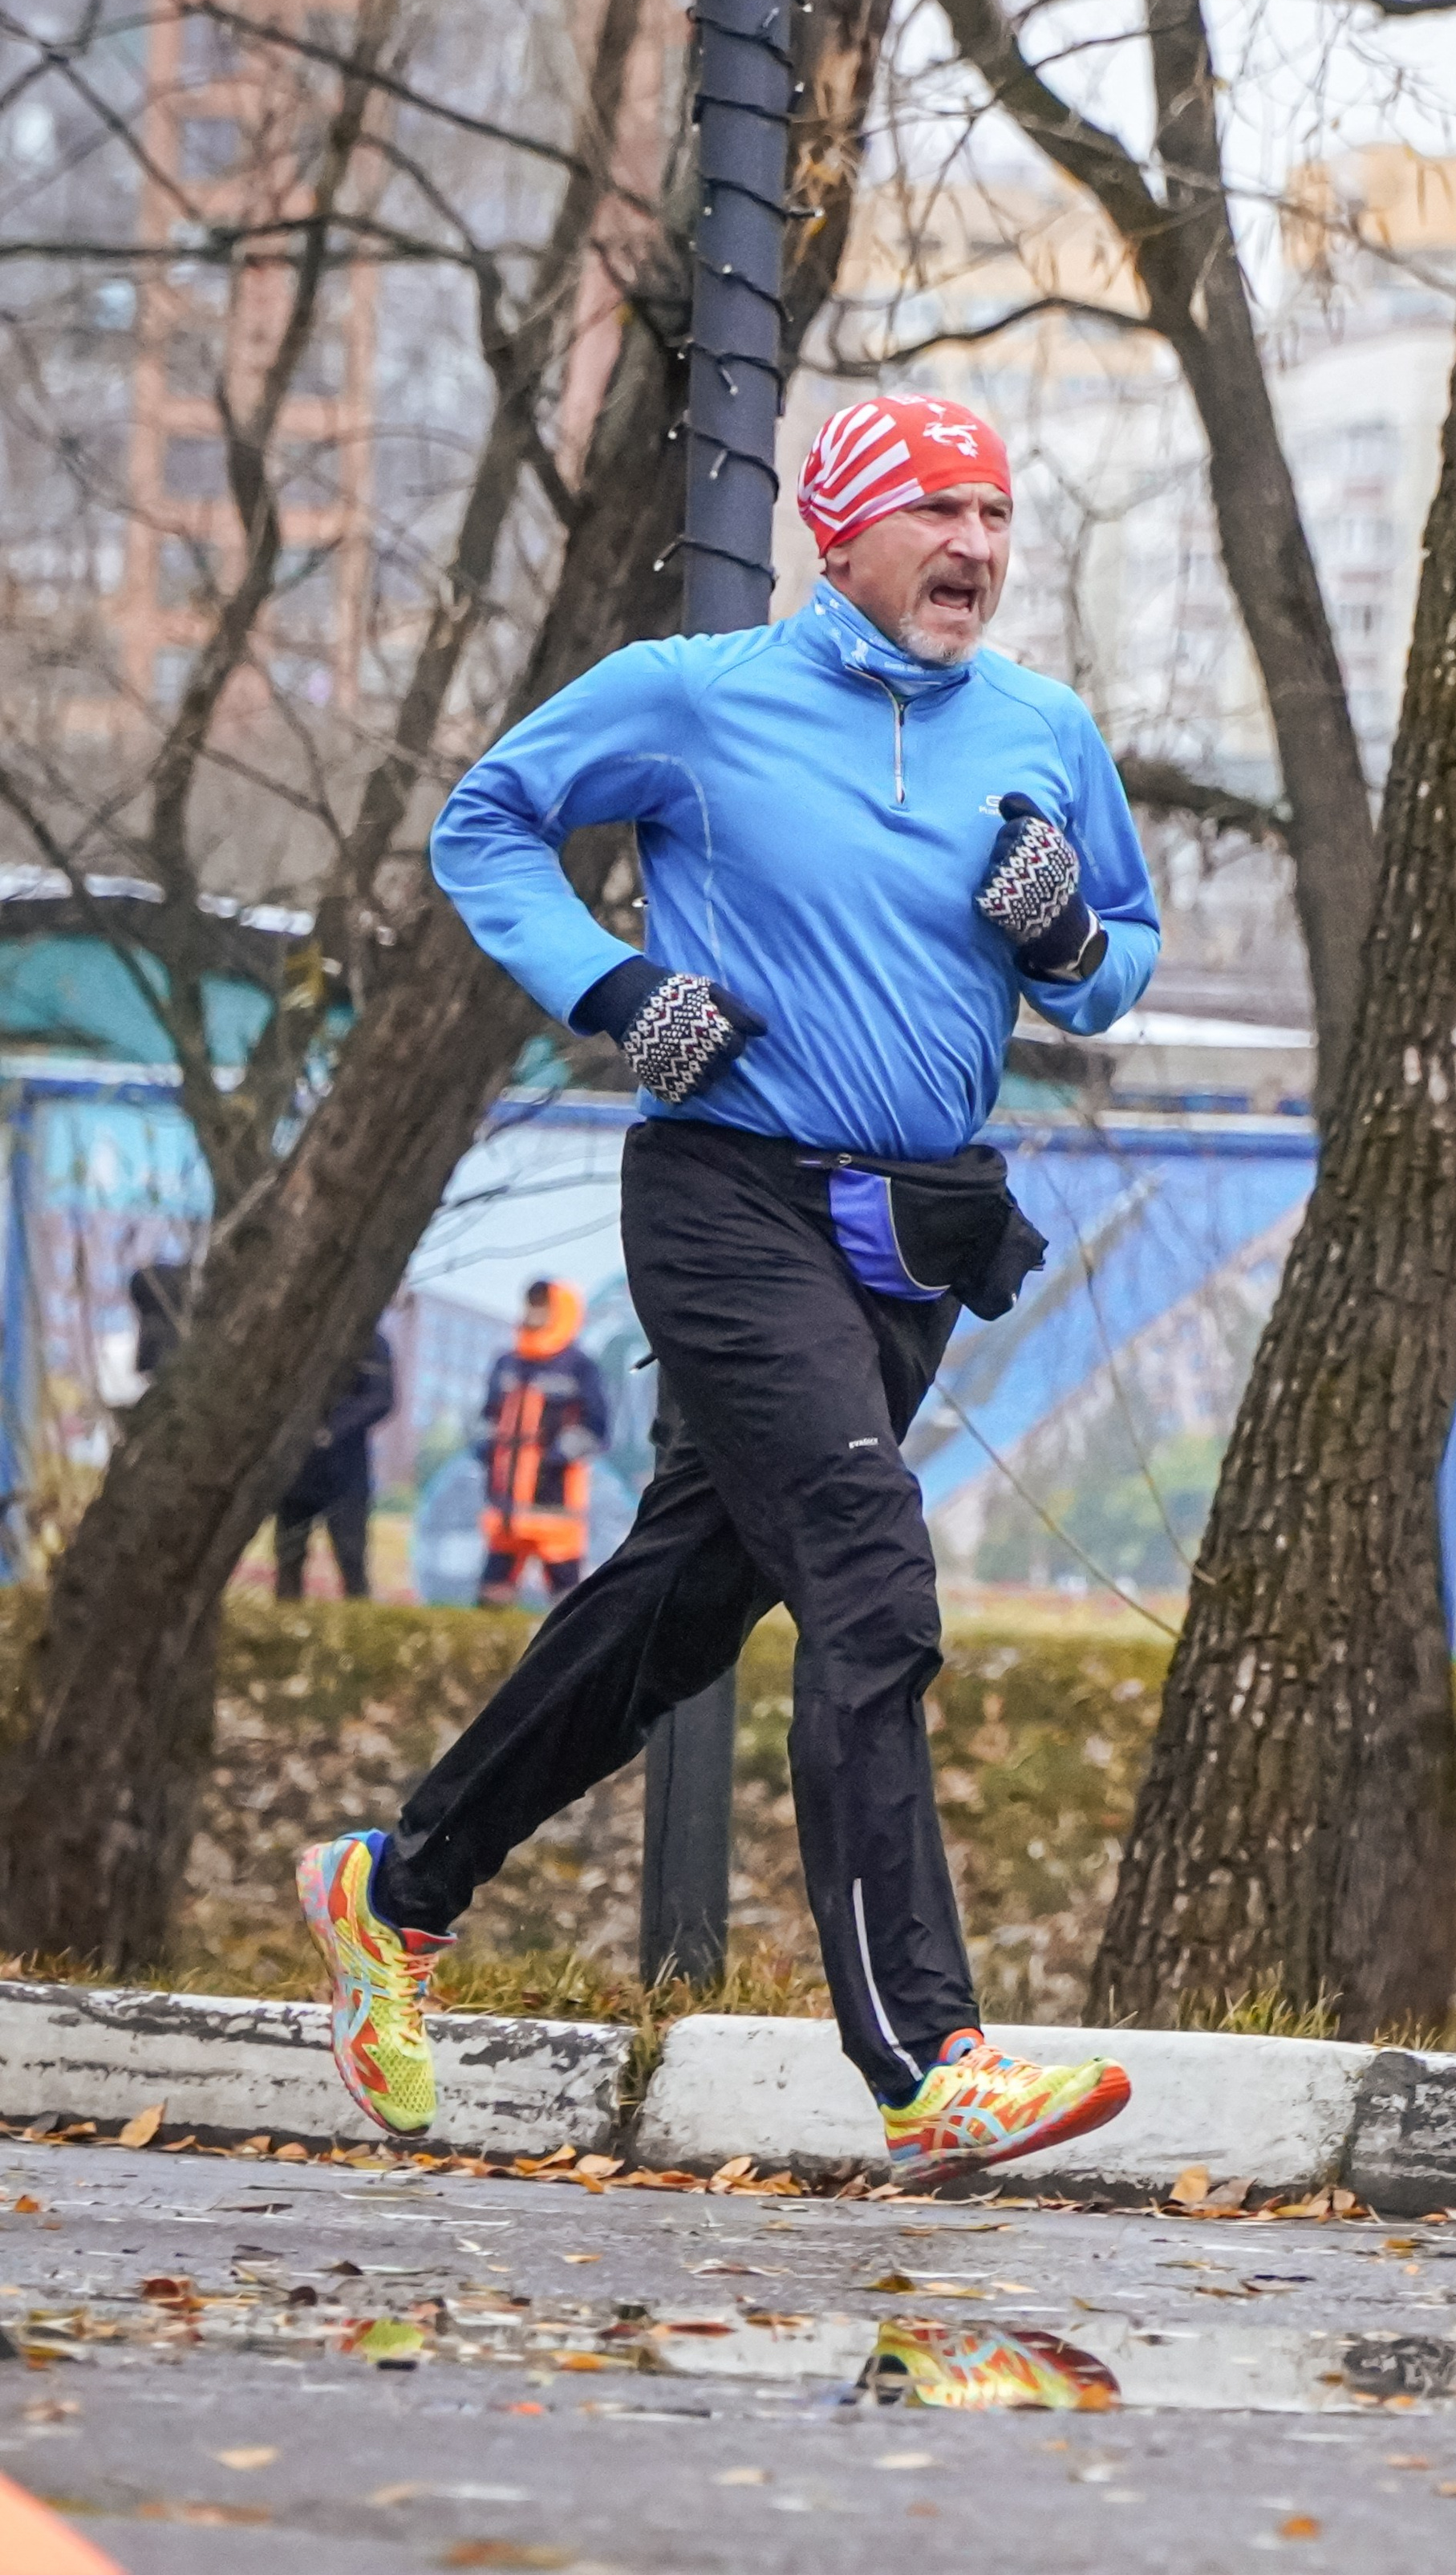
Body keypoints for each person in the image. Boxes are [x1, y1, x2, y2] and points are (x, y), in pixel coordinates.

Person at [297, 394, 1160, 2182]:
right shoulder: (695, 696)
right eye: (938, 509)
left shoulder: (1043, 727)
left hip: (908, 1234)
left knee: (680, 1608)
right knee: (868, 1565)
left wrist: (1067, 929)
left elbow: (1115, 966)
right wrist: (619, 991)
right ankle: (929, 2058)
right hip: (725, 1198)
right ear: (840, 533)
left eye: (997, 513)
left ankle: (396, 1885)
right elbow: (487, 820)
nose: (976, 545)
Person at [473, 1279, 610, 1607]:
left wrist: (555, 1456)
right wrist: (485, 1450)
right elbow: (487, 1417)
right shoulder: (507, 1361)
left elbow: (598, 1428)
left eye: (542, 1305)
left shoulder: (580, 1366)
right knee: (491, 1596)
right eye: (531, 1304)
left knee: (567, 1602)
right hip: (505, 1503)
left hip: (554, 1503)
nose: (534, 1312)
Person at [274, 1328, 396, 1601]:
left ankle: (358, 1620)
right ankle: (284, 1616)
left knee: (352, 1560)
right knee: (288, 1557)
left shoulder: (372, 1343)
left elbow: (381, 1399)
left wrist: (332, 1430)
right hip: (297, 1468)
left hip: (346, 1471)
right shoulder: (295, 1335)